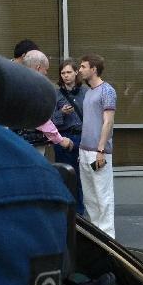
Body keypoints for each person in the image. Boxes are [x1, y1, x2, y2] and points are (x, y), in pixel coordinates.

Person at [78, 54, 117, 239]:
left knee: (103, 196)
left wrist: (101, 149)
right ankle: (96, 237)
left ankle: (108, 238)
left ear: (94, 69)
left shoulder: (107, 90)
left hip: (98, 151)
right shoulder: (88, 92)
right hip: (84, 150)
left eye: (83, 66)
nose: (80, 69)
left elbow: (108, 122)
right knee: (90, 197)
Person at [20, 50, 73, 155]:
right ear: (38, 68)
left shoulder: (15, 83)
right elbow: (40, 119)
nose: (46, 73)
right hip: (30, 146)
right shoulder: (33, 87)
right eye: (46, 69)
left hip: (14, 141)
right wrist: (60, 140)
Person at [52, 58, 86, 215]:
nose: (66, 76)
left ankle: (80, 213)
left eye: (69, 72)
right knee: (66, 176)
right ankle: (67, 213)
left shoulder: (86, 92)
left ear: (76, 72)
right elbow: (49, 120)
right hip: (63, 138)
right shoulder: (56, 94)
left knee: (82, 177)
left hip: (83, 137)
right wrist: (61, 113)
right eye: (63, 73)